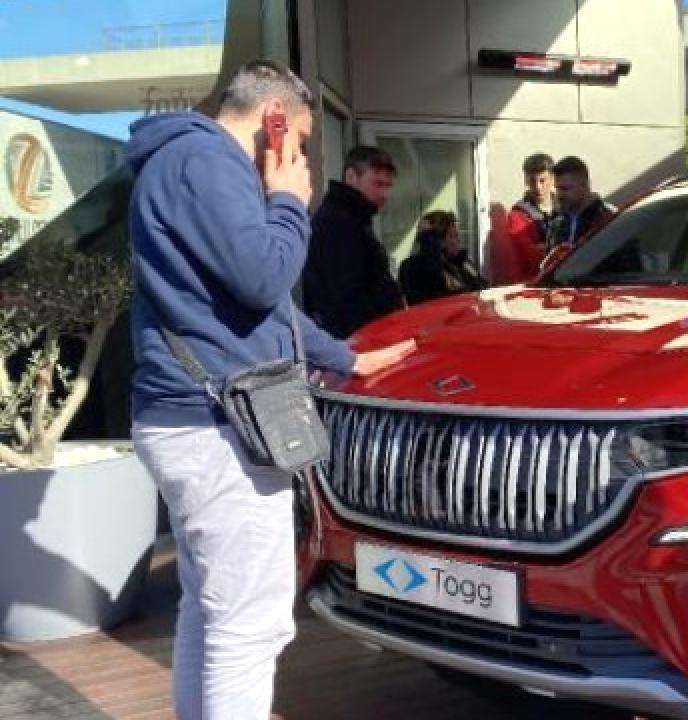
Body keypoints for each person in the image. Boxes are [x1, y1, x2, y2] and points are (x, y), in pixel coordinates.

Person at [126, 60, 413, 719]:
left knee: (212, 610)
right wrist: (287, 200)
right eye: (300, 139)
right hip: (216, 426)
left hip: (194, 420)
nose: (299, 156)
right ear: (274, 120)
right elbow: (264, 279)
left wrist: (345, 357)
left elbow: (260, 306)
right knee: (249, 627)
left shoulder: (185, 162)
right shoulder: (208, 162)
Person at [301, 145, 404, 338]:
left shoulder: (350, 217)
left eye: (388, 186)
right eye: (377, 184)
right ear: (351, 177)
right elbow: (345, 295)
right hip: (358, 338)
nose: (384, 194)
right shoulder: (341, 222)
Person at [490, 152, 556, 284]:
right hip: (536, 282)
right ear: (526, 180)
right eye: (532, 181)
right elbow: (531, 256)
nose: (537, 187)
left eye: (542, 180)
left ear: (553, 179)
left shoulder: (566, 206)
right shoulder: (517, 214)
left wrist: (545, 247)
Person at [399, 210, 486, 304]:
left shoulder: (462, 261)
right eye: (453, 236)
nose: (458, 240)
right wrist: (429, 240)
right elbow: (441, 291)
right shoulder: (412, 267)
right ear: (438, 241)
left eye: (458, 235)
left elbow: (482, 285)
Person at [548, 155, 615, 248]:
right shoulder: (556, 224)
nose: (559, 195)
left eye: (565, 189)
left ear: (585, 185)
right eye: (557, 188)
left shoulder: (608, 220)